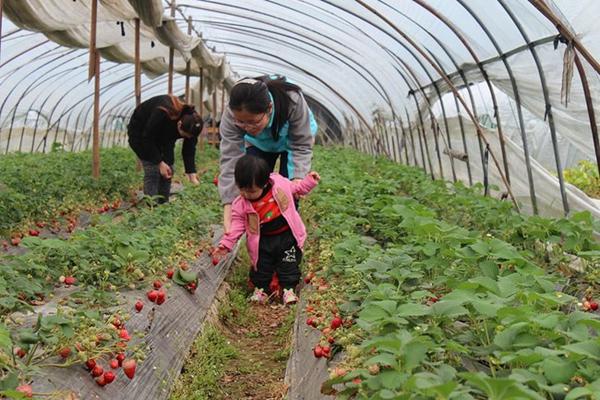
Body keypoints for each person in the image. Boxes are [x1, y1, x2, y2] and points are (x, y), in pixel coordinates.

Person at [211, 155, 320, 305]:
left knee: (288, 263)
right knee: (262, 266)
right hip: (263, 239)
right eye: (241, 189)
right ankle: (261, 289)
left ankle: (288, 290)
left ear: (264, 184)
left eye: (251, 191)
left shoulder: (280, 185)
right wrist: (226, 244)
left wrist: (309, 181)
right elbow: (237, 225)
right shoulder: (241, 204)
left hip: (286, 235)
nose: (246, 195)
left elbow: (297, 188)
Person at [218, 75, 317, 232]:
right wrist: (229, 205)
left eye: (253, 121)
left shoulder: (292, 101)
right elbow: (231, 158)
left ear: (269, 108)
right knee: (253, 183)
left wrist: (297, 178)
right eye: (241, 122)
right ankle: (261, 235)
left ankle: (286, 237)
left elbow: (300, 144)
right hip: (258, 142)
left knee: (286, 194)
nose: (247, 127)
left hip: (292, 142)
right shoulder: (232, 113)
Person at [127, 94, 203, 203]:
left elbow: (189, 149)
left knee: (169, 169)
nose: (186, 138)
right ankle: (152, 208)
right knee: (152, 169)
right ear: (179, 124)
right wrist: (159, 162)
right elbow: (147, 138)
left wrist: (192, 174)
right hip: (141, 134)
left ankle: (163, 207)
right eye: (184, 135)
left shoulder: (193, 122)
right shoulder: (162, 112)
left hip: (164, 135)